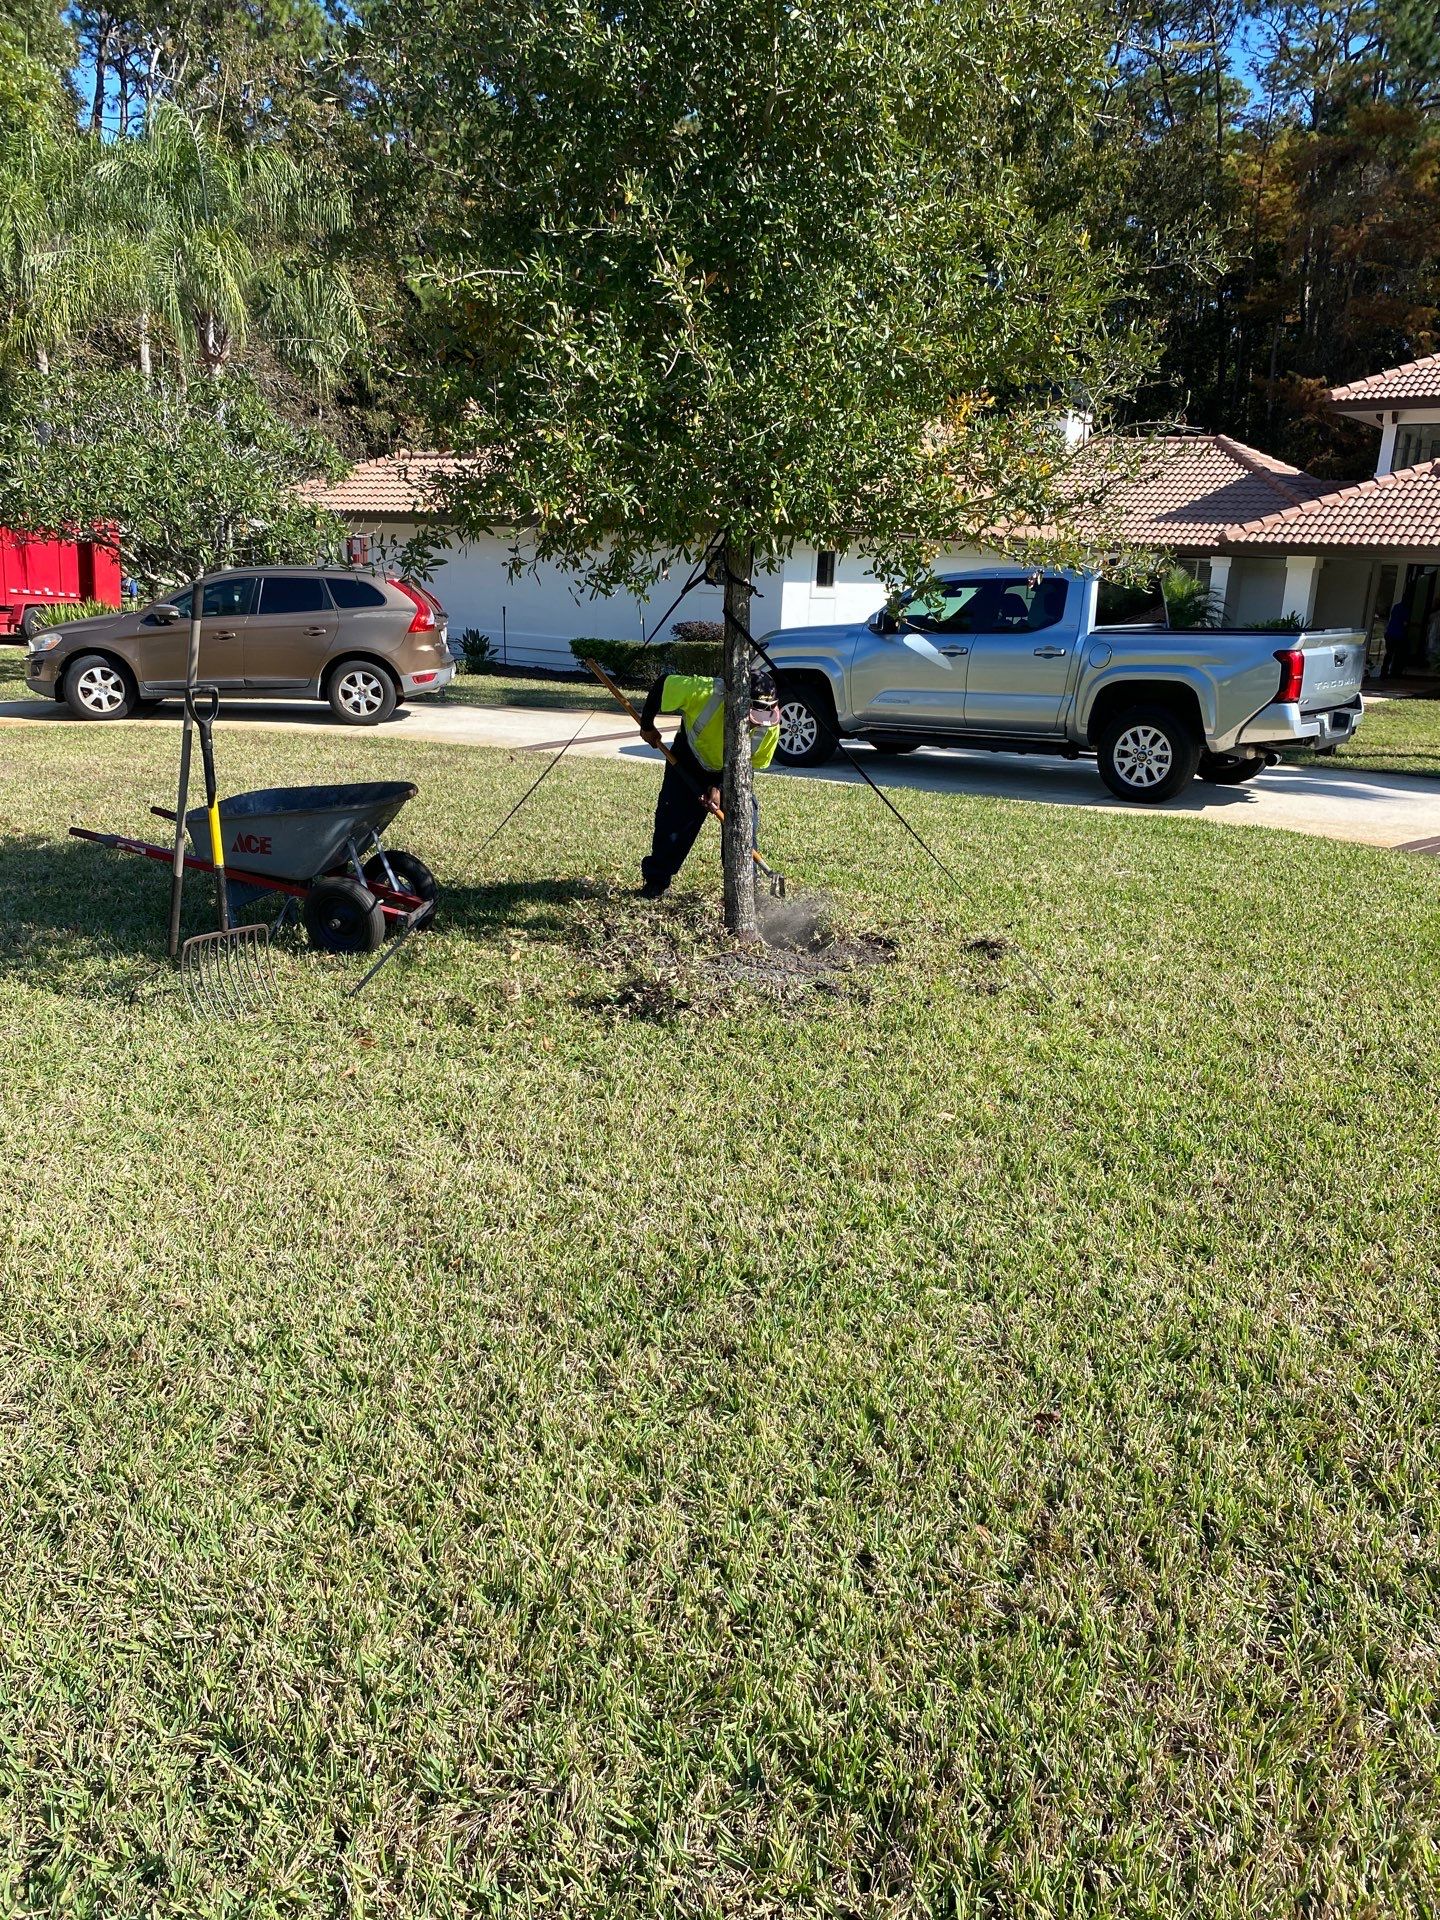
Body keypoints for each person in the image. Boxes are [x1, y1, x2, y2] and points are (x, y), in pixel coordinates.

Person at [637, 664, 782, 897]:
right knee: (673, 823)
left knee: (744, 820)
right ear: (734, 701)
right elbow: (663, 684)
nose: (758, 724)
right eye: (752, 717)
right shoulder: (704, 691)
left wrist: (720, 787)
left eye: (763, 717)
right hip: (688, 758)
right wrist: (647, 726)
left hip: (731, 773)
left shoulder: (770, 728)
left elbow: (749, 768)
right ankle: (656, 882)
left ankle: (746, 888)